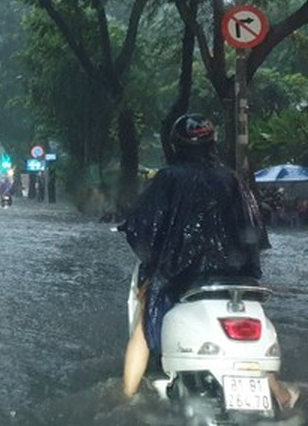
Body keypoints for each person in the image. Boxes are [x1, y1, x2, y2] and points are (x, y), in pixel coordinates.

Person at [121, 113, 298, 410]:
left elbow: (142, 229)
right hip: (237, 279)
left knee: (144, 317)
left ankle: (126, 398)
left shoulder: (168, 178)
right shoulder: (234, 180)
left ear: (176, 145)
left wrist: (157, 261)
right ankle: (275, 386)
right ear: (212, 142)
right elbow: (256, 235)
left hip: (181, 279)